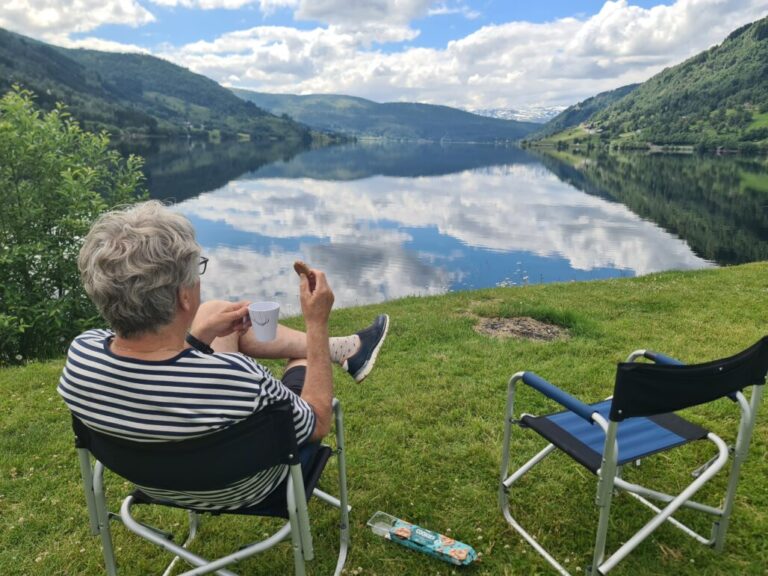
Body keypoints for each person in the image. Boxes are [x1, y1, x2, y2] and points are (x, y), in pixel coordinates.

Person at [58, 200, 389, 511]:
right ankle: (340, 349)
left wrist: (200, 335)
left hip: (155, 483)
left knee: (217, 313)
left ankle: (350, 350)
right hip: (247, 488)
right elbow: (317, 423)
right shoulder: (237, 378)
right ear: (184, 297)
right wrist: (316, 324)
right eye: (196, 271)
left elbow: (160, 370)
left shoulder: (82, 358)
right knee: (303, 360)